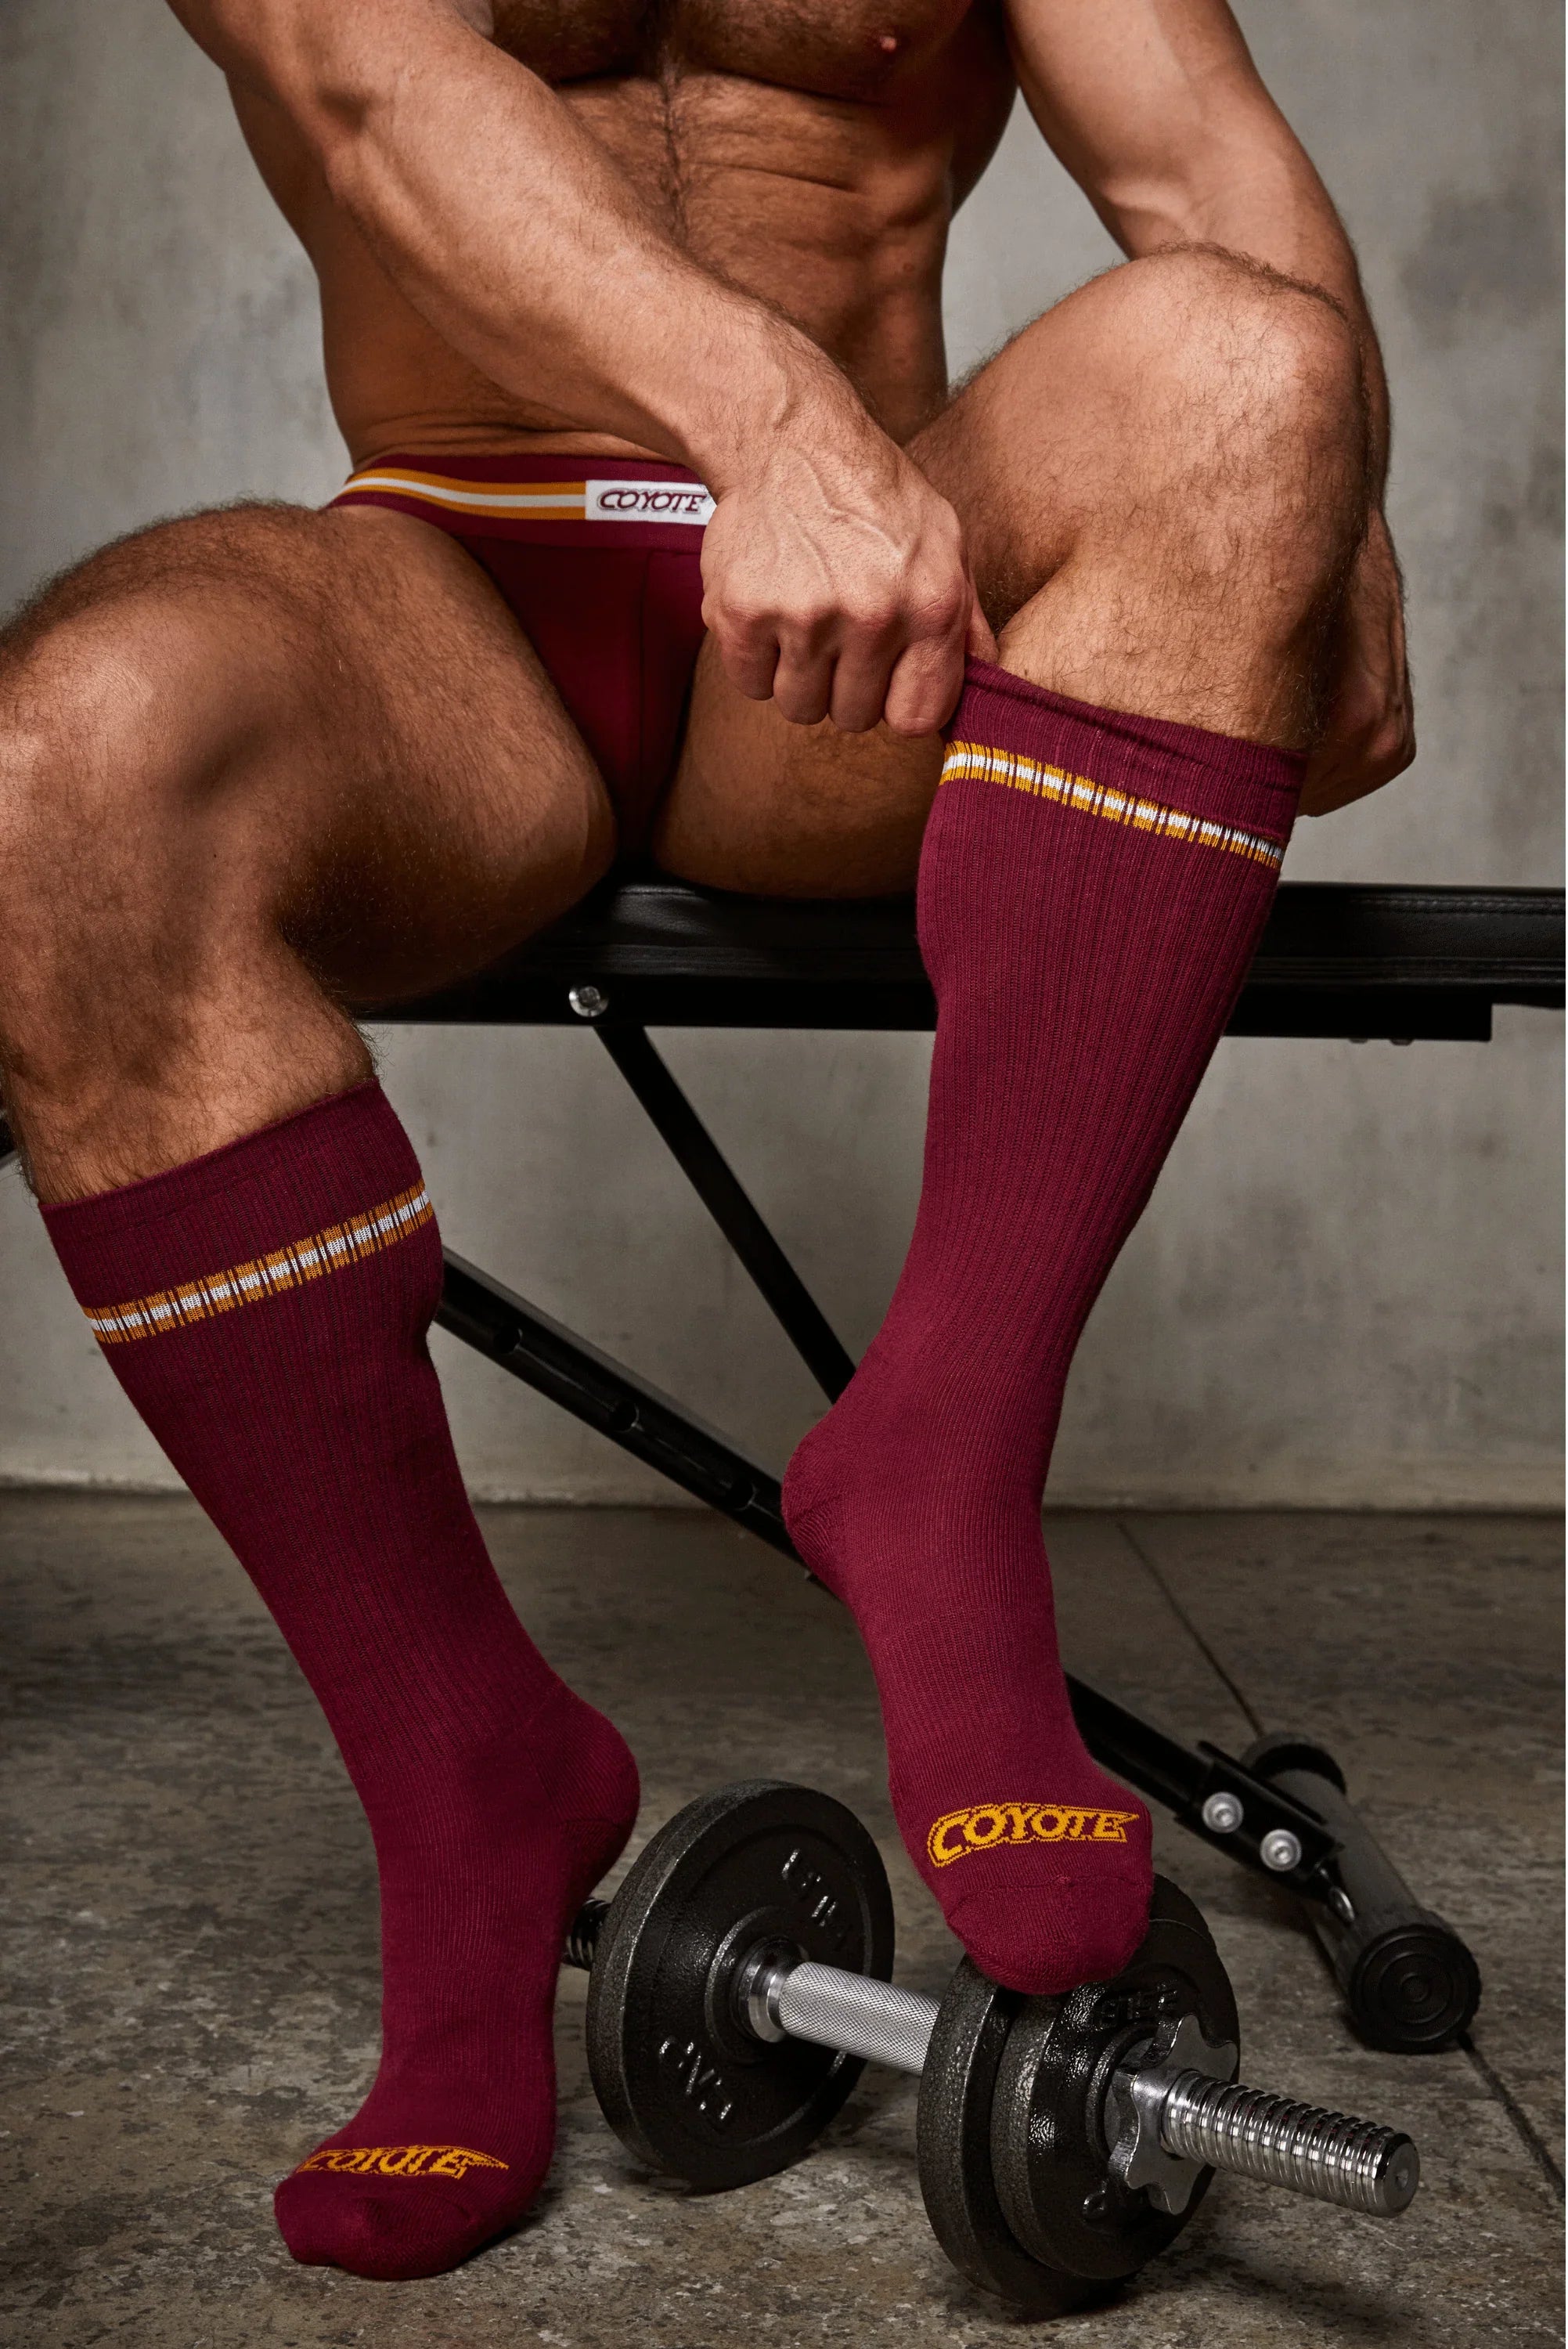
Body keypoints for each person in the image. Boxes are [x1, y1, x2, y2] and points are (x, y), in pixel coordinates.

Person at [0, 0, 1412, 2285]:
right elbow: (367, 87)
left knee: (1249, 363)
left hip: (865, 631)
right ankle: (465, 1779)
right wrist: (768, 420)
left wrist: (1337, 522)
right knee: (57, 773)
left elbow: (1196, 157)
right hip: (457, 596)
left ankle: (935, 1458)